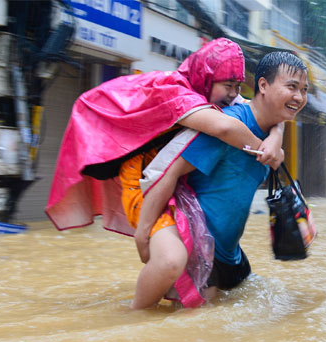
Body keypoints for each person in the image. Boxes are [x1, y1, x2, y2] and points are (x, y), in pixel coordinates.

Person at [46, 38, 283, 235]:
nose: (233, 94)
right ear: (206, 76)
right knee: (170, 258)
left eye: (238, 86)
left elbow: (261, 109)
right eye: (228, 85)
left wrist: (276, 134)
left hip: (164, 176)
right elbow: (224, 128)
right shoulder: (177, 94)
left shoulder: (203, 91)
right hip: (140, 179)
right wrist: (266, 151)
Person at [131, 51, 309, 309]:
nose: (299, 97)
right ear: (263, 85)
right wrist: (143, 233)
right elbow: (170, 171)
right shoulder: (228, 125)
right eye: (292, 87)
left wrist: (277, 133)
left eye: (304, 90)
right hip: (198, 252)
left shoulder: (272, 128)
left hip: (230, 257)